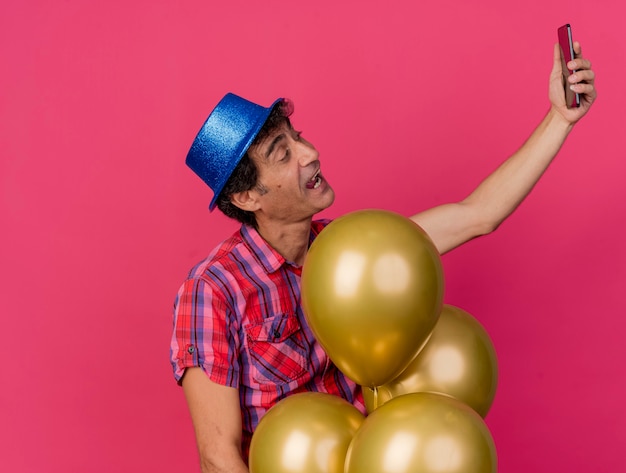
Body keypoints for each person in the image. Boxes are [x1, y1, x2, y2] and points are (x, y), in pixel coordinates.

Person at [170, 42, 596, 473]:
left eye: (297, 136)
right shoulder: (213, 289)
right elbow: (218, 457)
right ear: (247, 197)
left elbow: (477, 215)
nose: (310, 152)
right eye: (284, 154)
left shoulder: (355, 251)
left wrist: (560, 119)